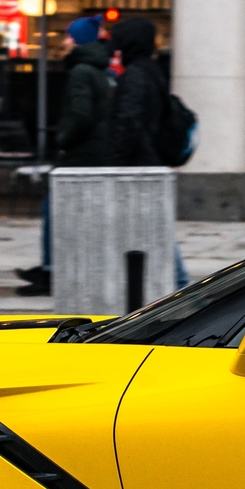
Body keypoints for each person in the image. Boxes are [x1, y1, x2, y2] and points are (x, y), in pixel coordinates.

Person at [16, 17, 115, 297]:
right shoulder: (101, 70)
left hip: (79, 154)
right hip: (95, 152)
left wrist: (62, 140)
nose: (65, 41)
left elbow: (81, 115)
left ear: (81, 40)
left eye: (70, 37)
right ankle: (53, 268)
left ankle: (51, 272)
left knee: (53, 209)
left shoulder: (81, 71)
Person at [103, 16, 190, 291]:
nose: (116, 50)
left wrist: (113, 165)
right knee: (155, 227)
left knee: (152, 228)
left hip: (137, 165)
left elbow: (128, 122)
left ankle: (179, 283)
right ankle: (176, 281)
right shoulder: (150, 71)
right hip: (148, 161)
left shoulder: (136, 75)